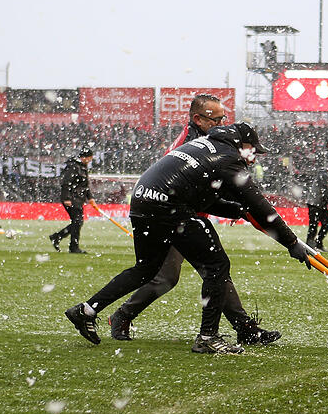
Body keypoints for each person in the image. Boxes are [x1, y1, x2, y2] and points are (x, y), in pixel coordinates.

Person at [65, 122, 311, 354]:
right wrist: (291, 243)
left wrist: (237, 210)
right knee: (217, 266)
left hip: (143, 203)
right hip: (171, 209)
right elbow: (261, 207)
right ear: (243, 146)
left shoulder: (204, 144)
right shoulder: (229, 158)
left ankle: (86, 310)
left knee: (146, 268)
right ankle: (208, 338)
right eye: (254, 151)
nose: (255, 158)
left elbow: (205, 198)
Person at [107, 94, 281, 347]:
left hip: (187, 215)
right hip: (177, 216)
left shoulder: (205, 140)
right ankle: (122, 314)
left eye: (223, 118)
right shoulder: (196, 143)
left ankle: (244, 327)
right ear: (197, 119)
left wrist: (233, 205)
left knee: (212, 273)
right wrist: (234, 206)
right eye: (216, 119)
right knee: (176, 276)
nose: (222, 124)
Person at [49, 147, 95, 254]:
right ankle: (72, 246)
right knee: (77, 222)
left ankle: (58, 237)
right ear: (85, 157)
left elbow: (85, 186)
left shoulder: (82, 167)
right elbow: (66, 182)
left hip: (78, 199)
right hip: (72, 199)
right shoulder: (74, 167)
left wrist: (90, 198)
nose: (90, 160)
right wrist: (66, 198)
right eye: (90, 158)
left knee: (77, 222)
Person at [305, 163, 328, 252]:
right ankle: (310, 246)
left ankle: (318, 243)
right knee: (313, 225)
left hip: (321, 204)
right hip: (315, 204)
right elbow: (326, 193)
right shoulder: (324, 176)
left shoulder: (327, 176)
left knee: (327, 223)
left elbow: (327, 193)